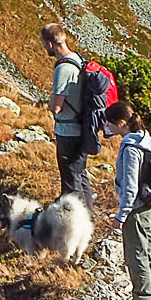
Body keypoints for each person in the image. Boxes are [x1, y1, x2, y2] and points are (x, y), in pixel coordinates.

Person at [106, 100, 151, 300]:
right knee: (148, 248)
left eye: (110, 123)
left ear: (121, 123)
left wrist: (121, 216)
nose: (107, 127)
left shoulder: (130, 148)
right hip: (149, 204)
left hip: (136, 208)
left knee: (135, 253)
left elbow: (130, 186)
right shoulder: (146, 139)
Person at [40, 23, 92, 209]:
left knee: (70, 178)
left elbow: (56, 107)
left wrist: (49, 104)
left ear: (50, 43)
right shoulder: (77, 58)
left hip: (68, 131)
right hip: (82, 127)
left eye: (44, 44)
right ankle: (88, 215)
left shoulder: (63, 69)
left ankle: (74, 220)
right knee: (80, 174)